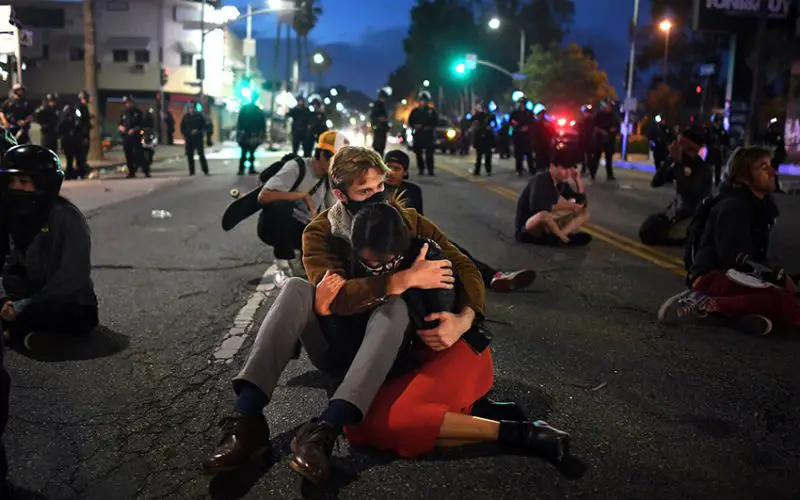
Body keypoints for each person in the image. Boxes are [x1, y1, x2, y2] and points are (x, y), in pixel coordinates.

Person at [202, 146, 484, 484]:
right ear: (340, 194)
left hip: (388, 346)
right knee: (294, 287)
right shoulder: (321, 232)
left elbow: (463, 264)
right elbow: (333, 300)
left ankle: (325, 431)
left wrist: (464, 319)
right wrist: (403, 279)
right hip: (337, 343)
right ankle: (246, 421)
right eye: (365, 191)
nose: (377, 196)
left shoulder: (405, 220)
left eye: (380, 187)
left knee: (393, 305)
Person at [0, 143, 99, 496]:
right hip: (22, 297)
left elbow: (71, 278)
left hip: (71, 304)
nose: (19, 190)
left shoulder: (64, 218)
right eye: (14, 182)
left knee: (40, 316)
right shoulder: (10, 216)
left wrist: (23, 306)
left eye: (27, 182)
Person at [658, 146, 799, 336]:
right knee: (784, 302)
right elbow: (734, 257)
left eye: (771, 166)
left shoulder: (761, 205)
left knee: (790, 297)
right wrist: (777, 277)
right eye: (763, 167)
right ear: (742, 176)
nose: (773, 172)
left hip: (740, 276)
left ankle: (731, 316)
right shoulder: (733, 207)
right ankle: (705, 302)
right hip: (713, 277)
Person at [384, 150, 537, 293]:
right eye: (387, 167)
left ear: (405, 172)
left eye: (396, 168)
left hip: (413, 239)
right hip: (387, 246)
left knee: (453, 249)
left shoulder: (412, 191)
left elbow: (420, 220)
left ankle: (493, 277)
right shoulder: (377, 189)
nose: (390, 172)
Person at [255, 131, 345, 279]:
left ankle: (304, 261)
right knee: (281, 205)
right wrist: (301, 195)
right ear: (322, 154)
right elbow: (264, 196)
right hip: (274, 227)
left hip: (304, 229)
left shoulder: (330, 178)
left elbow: (333, 212)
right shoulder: (296, 167)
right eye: (335, 161)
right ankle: (284, 258)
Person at [515, 142, 592, 246]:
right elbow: (538, 207)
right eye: (564, 168)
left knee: (584, 213)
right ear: (552, 166)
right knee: (544, 214)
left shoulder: (561, 184)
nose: (568, 173)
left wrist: (577, 180)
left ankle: (558, 237)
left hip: (546, 225)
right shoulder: (540, 180)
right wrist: (569, 206)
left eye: (570, 169)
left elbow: (581, 202)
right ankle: (564, 239)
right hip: (529, 227)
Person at [649, 126, 713, 244]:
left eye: (679, 144)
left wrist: (678, 163)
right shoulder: (681, 163)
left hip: (695, 216)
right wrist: (669, 160)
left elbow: (691, 192)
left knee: (672, 237)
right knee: (651, 231)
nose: (675, 145)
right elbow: (656, 182)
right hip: (681, 214)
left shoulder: (703, 169)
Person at [407, 91, 438, 176]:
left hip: (428, 135)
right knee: (418, 153)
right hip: (418, 135)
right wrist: (415, 126)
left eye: (425, 100)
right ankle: (421, 169)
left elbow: (435, 122)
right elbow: (410, 121)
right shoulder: (415, 111)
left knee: (429, 154)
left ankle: (430, 170)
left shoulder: (431, 111)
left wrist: (429, 127)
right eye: (421, 100)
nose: (423, 102)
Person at [180, 100, 212, 176]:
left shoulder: (200, 116)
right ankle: (191, 171)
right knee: (190, 155)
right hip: (189, 138)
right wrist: (185, 134)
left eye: (193, 107)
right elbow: (182, 127)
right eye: (190, 107)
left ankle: (205, 170)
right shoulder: (186, 117)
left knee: (201, 154)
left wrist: (199, 131)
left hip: (198, 138)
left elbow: (206, 126)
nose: (191, 109)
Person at [118, 95, 147, 178]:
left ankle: (145, 170)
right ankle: (131, 172)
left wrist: (135, 130)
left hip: (136, 137)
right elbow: (120, 123)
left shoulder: (138, 112)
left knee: (139, 154)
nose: (127, 104)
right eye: (126, 103)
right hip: (126, 137)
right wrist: (121, 127)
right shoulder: (123, 113)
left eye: (129, 103)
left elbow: (142, 125)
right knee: (128, 155)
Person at [58, 104, 90, 180]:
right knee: (69, 160)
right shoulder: (63, 122)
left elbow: (82, 130)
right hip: (68, 143)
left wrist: (83, 138)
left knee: (79, 160)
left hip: (76, 143)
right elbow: (59, 131)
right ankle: (69, 174)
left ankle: (80, 174)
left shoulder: (77, 121)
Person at [237, 99, 266, 176]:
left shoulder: (245, 109)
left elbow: (239, 122)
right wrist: (263, 133)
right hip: (251, 133)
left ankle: (243, 169)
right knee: (250, 152)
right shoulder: (257, 110)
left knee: (246, 152)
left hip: (247, 133)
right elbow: (263, 123)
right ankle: (249, 168)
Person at [593, 101, 619, 181]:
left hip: (610, 140)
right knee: (596, 158)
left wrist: (614, 130)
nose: (607, 108)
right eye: (607, 106)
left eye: (609, 107)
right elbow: (594, 126)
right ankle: (592, 173)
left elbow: (617, 127)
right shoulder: (599, 115)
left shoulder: (614, 116)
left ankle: (610, 175)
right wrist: (601, 131)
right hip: (600, 139)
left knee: (609, 158)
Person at [510, 98, 535, 176]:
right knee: (518, 154)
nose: (521, 104)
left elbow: (532, 122)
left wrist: (527, 127)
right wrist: (515, 124)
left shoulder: (529, 112)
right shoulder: (515, 112)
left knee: (529, 153)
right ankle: (519, 169)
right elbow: (511, 121)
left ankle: (531, 169)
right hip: (518, 134)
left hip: (526, 135)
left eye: (522, 103)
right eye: (520, 103)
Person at [470, 103, 496, 176]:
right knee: (479, 156)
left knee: (487, 156)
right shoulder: (478, 115)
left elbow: (495, 124)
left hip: (487, 137)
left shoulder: (491, 116)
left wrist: (491, 127)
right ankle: (477, 171)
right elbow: (471, 120)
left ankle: (488, 170)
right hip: (480, 137)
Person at [370, 88, 391, 157]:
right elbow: (373, 117)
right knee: (378, 148)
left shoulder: (382, 106)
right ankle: (378, 164)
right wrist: (380, 119)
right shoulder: (377, 105)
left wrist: (387, 126)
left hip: (381, 129)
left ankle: (378, 163)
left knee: (380, 148)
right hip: (379, 128)